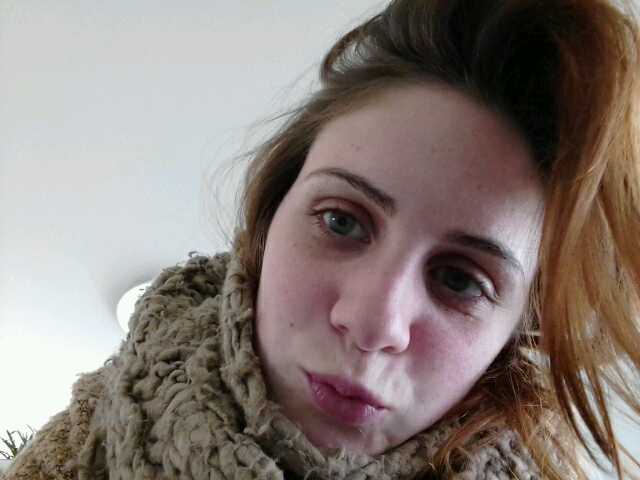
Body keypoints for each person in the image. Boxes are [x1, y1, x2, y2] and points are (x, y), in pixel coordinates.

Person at [5, 0, 640, 478]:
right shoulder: (79, 442)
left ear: (512, 335)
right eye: (342, 221)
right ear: (272, 213)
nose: (372, 323)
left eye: (459, 280)